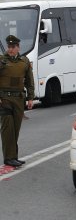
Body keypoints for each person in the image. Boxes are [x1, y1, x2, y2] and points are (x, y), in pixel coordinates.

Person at [0, 35, 34, 167]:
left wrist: (30, 97)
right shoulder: (2, 60)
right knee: (7, 129)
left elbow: (29, 80)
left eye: (13, 47)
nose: (10, 49)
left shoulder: (24, 61)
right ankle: (9, 158)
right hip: (5, 99)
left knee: (16, 129)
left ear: (18, 47)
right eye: (9, 47)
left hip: (19, 99)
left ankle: (13, 156)